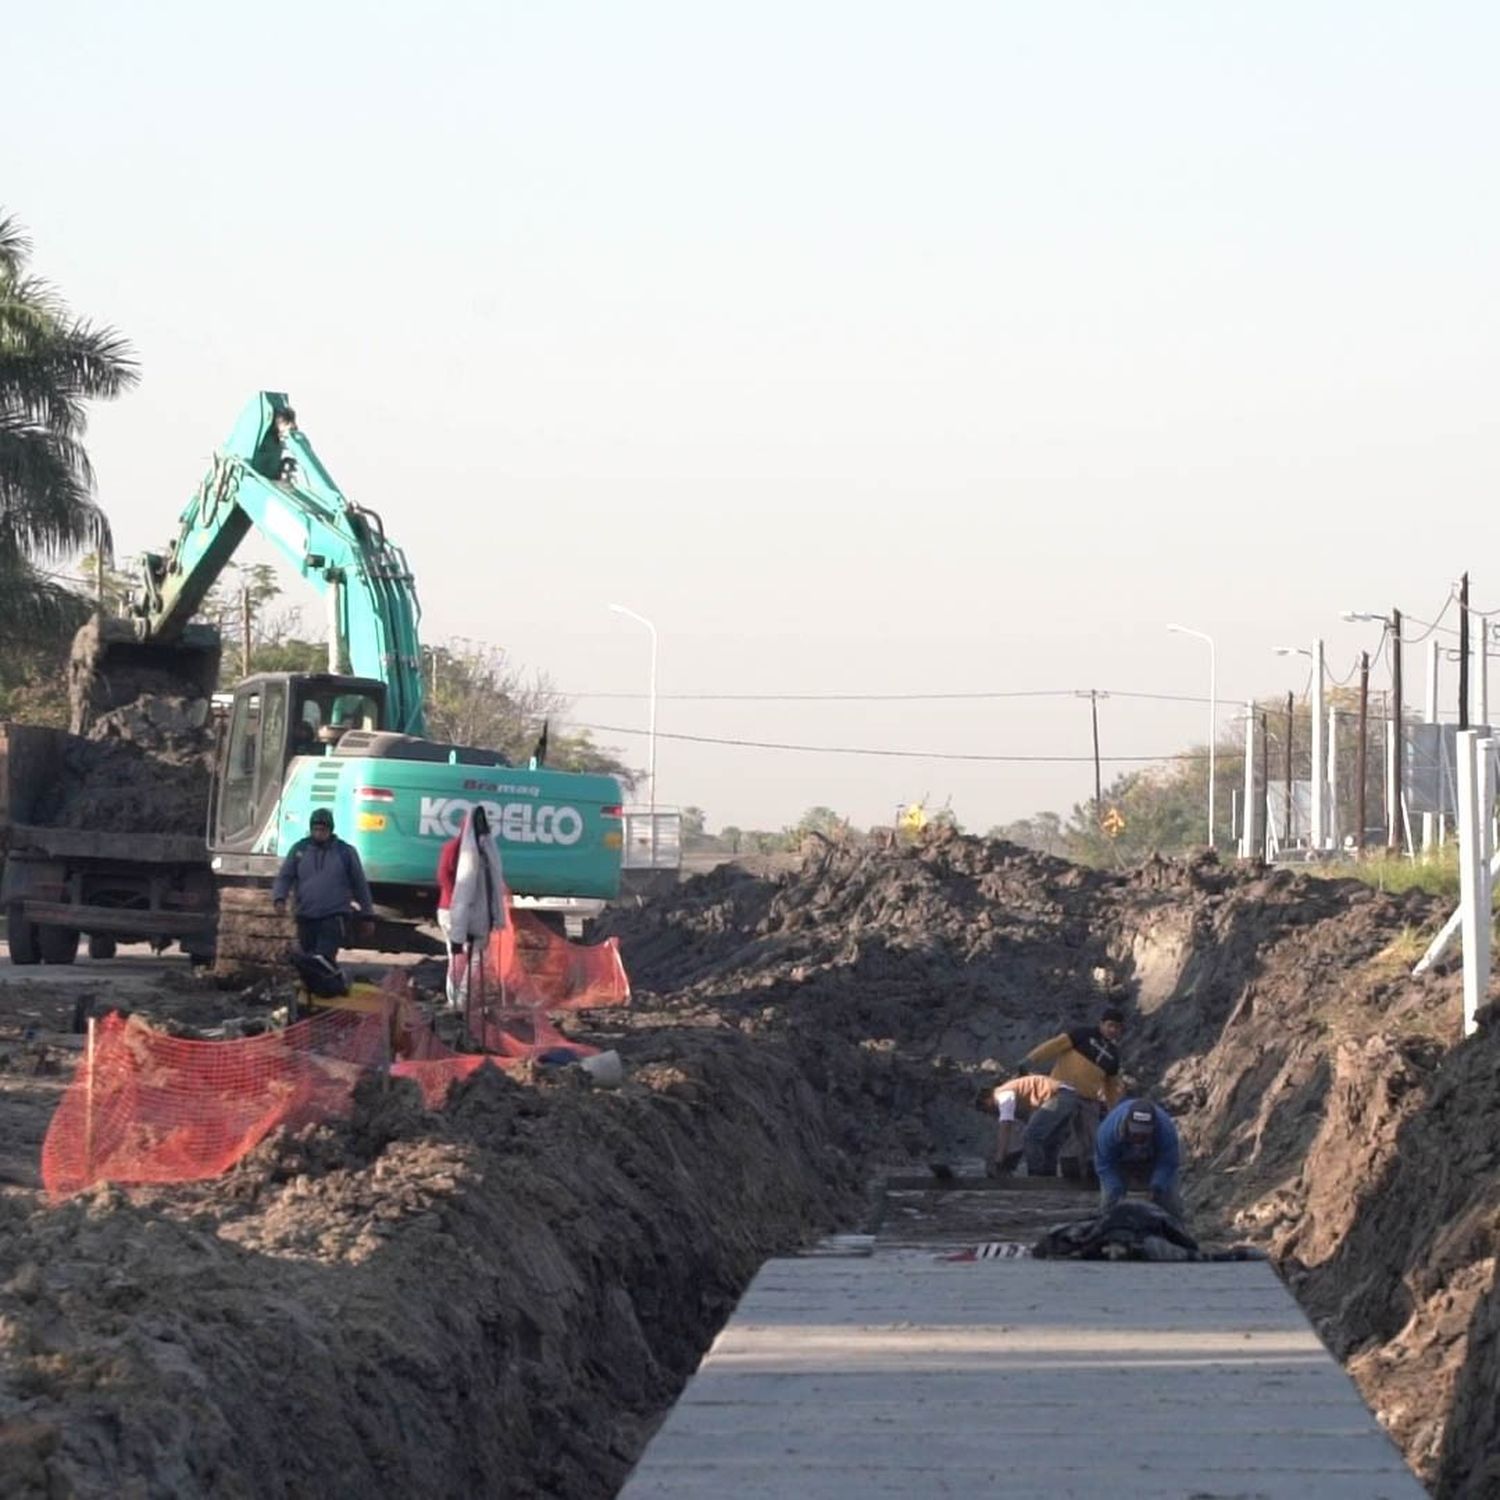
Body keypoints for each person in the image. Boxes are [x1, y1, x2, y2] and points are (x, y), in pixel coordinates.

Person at [1018, 1005, 1127, 1179]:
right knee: (1035, 1132)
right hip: (1062, 1092)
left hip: (1089, 1102)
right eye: (1110, 1025)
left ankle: (1086, 1178)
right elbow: (1054, 1046)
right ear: (1101, 1024)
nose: (1113, 1030)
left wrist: (1113, 1111)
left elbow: (1111, 1087)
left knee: (1090, 1144)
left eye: (1117, 1028)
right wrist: (1030, 1059)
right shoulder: (1082, 1034)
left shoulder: (1113, 1056)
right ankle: (1037, 1174)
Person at [271, 809, 374, 963]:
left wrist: (367, 915)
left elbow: (360, 885)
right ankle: (315, 986)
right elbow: (285, 876)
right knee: (307, 960)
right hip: (306, 916)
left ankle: (327, 986)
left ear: (330, 830)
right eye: (316, 829)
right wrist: (279, 898)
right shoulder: (300, 850)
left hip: (333, 917)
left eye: (323, 830)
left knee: (323, 960)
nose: (319, 833)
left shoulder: (344, 852)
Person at [1095, 1096, 1184, 1221]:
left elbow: (1168, 1162)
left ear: (1153, 1128)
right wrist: (1115, 1188)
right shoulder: (1108, 1132)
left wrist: (1157, 1186)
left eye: (1144, 1135)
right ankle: (1106, 1230)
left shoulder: (1166, 1129)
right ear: (1127, 1124)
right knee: (1110, 1201)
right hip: (1119, 1162)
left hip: (1154, 1161)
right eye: (1135, 1134)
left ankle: (1176, 1231)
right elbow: (1104, 1165)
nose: (1139, 1138)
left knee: (1170, 1202)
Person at [973, 1073, 1070, 1177]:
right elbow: (1017, 1135)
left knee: (1031, 1136)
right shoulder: (1019, 1099)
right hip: (1065, 1095)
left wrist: (999, 1159)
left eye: (986, 1110)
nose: (990, 1113)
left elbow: (1005, 1127)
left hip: (1060, 1095)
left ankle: (1036, 1176)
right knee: (1048, 1141)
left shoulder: (1003, 1095)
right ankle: (1049, 1179)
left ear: (987, 1100)